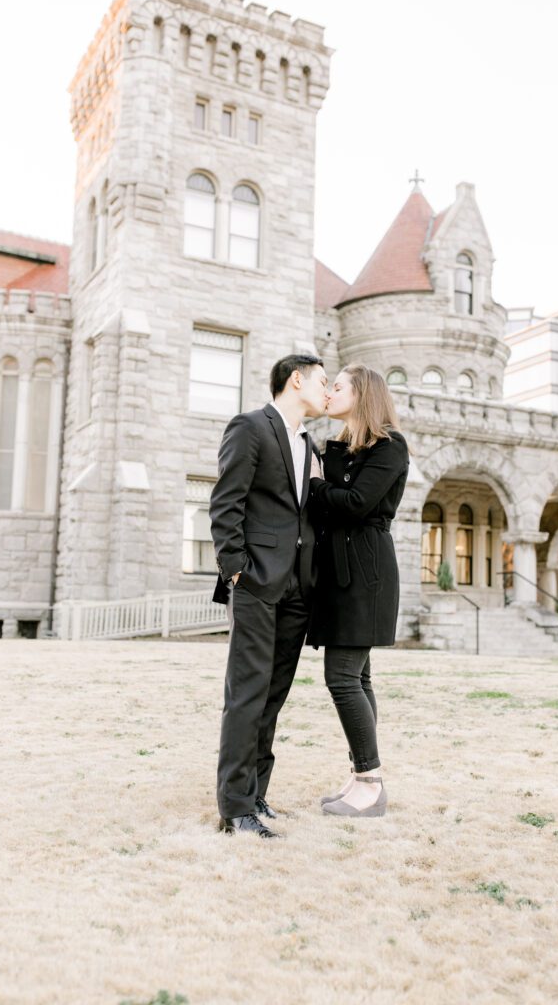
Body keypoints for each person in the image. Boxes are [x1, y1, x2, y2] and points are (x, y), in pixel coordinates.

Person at [210, 353, 327, 838]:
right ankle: (235, 808)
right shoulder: (251, 426)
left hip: (299, 588)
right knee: (248, 694)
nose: (327, 390)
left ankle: (257, 793)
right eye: (323, 381)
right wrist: (236, 571)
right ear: (295, 380)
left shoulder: (312, 445)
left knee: (273, 697)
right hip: (257, 582)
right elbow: (225, 501)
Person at [307, 363, 409, 818]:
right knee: (359, 677)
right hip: (338, 570)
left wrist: (313, 484)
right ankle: (360, 777)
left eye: (338, 386)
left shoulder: (390, 446)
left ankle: (371, 782)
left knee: (343, 677)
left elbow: (355, 503)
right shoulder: (338, 447)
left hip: (366, 571)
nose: (329, 392)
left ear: (362, 393)